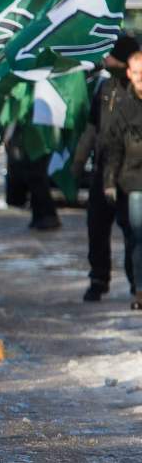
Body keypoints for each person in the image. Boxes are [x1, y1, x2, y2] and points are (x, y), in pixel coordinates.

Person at [84, 35, 140, 301]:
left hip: (131, 174)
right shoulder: (104, 88)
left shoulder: (137, 89)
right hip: (102, 168)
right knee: (96, 227)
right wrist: (77, 160)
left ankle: (136, 283)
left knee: (133, 230)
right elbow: (92, 127)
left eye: (111, 56)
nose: (105, 60)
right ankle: (98, 279)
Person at [99, 49, 142, 310]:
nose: (141, 78)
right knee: (137, 236)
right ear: (129, 73)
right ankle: (139, 290)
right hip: (134, 182)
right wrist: (109, 181)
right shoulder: (124, 107)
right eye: (137, 73)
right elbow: (113, 147)